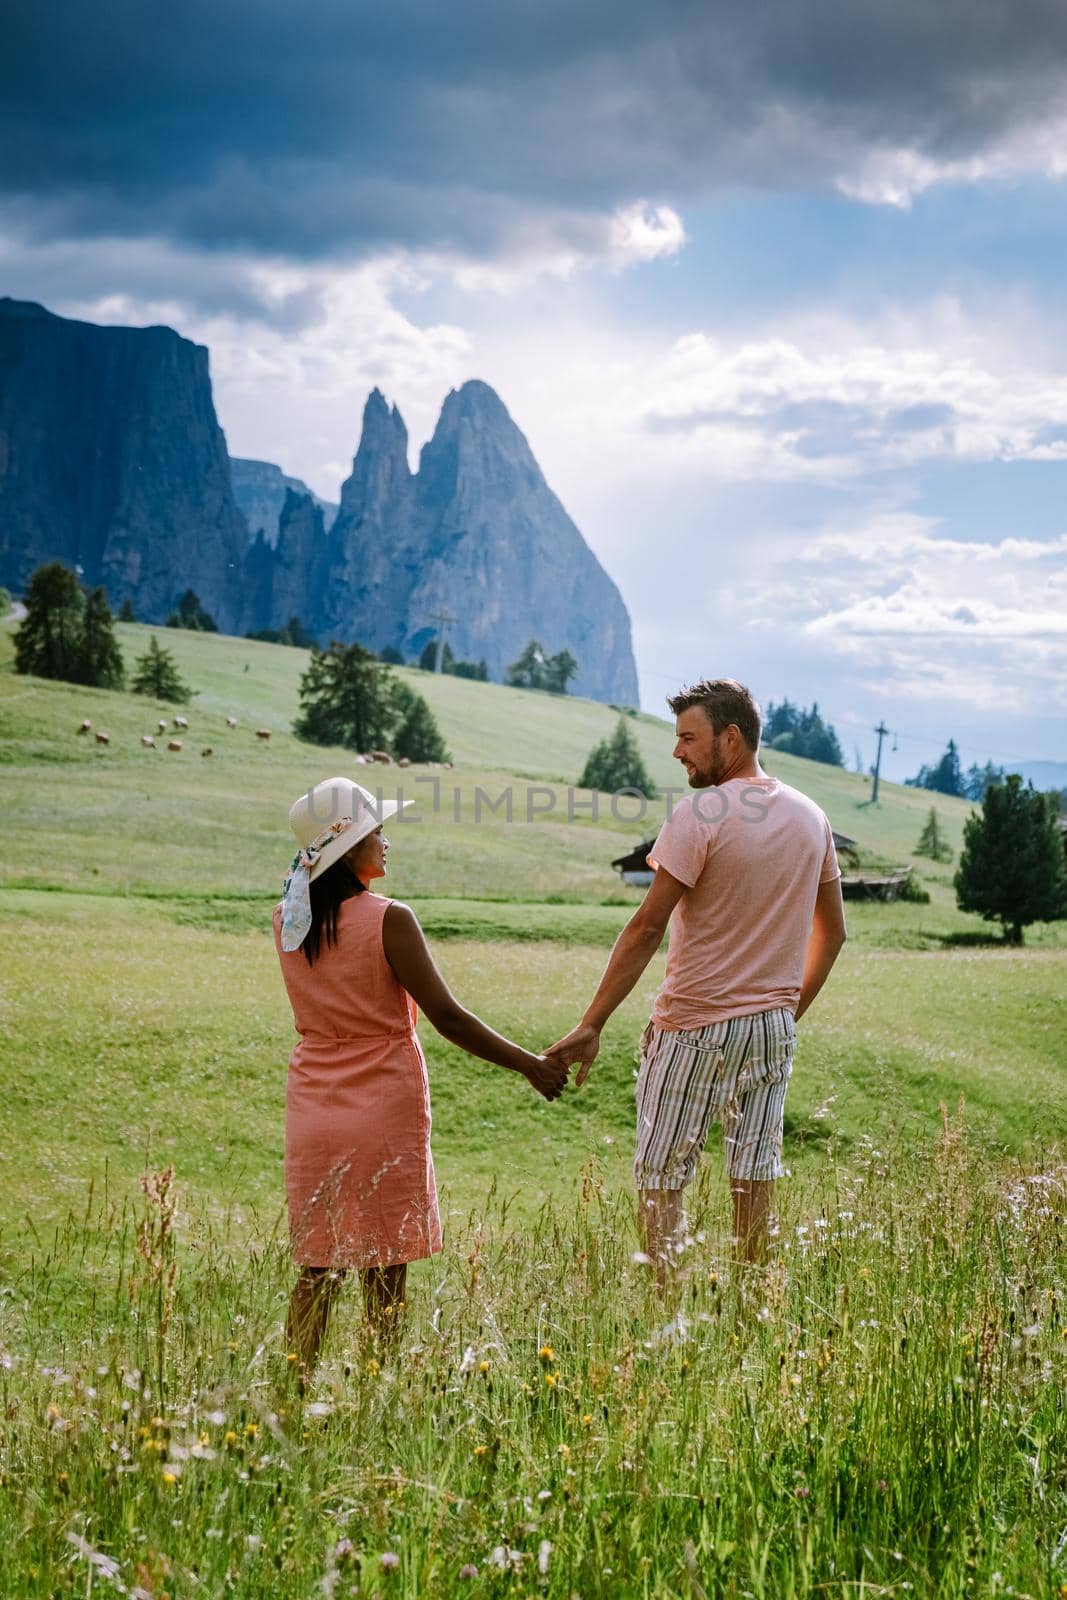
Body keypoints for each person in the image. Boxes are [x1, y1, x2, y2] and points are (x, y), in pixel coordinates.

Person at [548, 679, 846, 1284]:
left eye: (688, 737)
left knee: (661, 1181)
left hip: (691, 1027)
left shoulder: (700, 813)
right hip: (770, 1031)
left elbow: (645, 927)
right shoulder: (812, 817)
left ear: (729, 738)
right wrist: (785, 1013)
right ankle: (751, 1315)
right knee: (755, 1176)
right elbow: (833, 933)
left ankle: (667, 1322)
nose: (678, 751)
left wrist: (592, 1023)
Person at [273, 775, 568, 1371]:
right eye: (375, 831)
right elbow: (448, 1018)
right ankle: (375, 1394)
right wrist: (529, 1065)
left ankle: (290, 1393)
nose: (386, 842)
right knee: (385, 1265)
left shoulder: (288, 918)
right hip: (380, 1104)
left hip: (312, 1107)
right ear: (347, 847)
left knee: (318, 1264)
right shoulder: (390, 919)